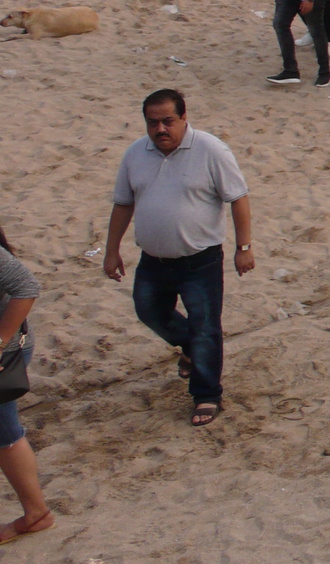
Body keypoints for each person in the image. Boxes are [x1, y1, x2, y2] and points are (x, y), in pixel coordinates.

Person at [104, 89, 255, 427]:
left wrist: (243, 247)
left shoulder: (211, 150)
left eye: (168, 121)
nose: (161, 129)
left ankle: (206, 393)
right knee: (149, 311)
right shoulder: (134, 154)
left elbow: (238, 197)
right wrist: (112, 250)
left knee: (205, 328)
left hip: (200, 261)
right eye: (153, 123)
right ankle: (190, 346)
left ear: (184, 118)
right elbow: (123, 203)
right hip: (153, 259)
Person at [0, 223, 52, 545]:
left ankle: (36, 514)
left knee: (4, 433)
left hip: (6, 352)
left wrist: (0, 340)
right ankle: (36, 513)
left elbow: (26, 287)